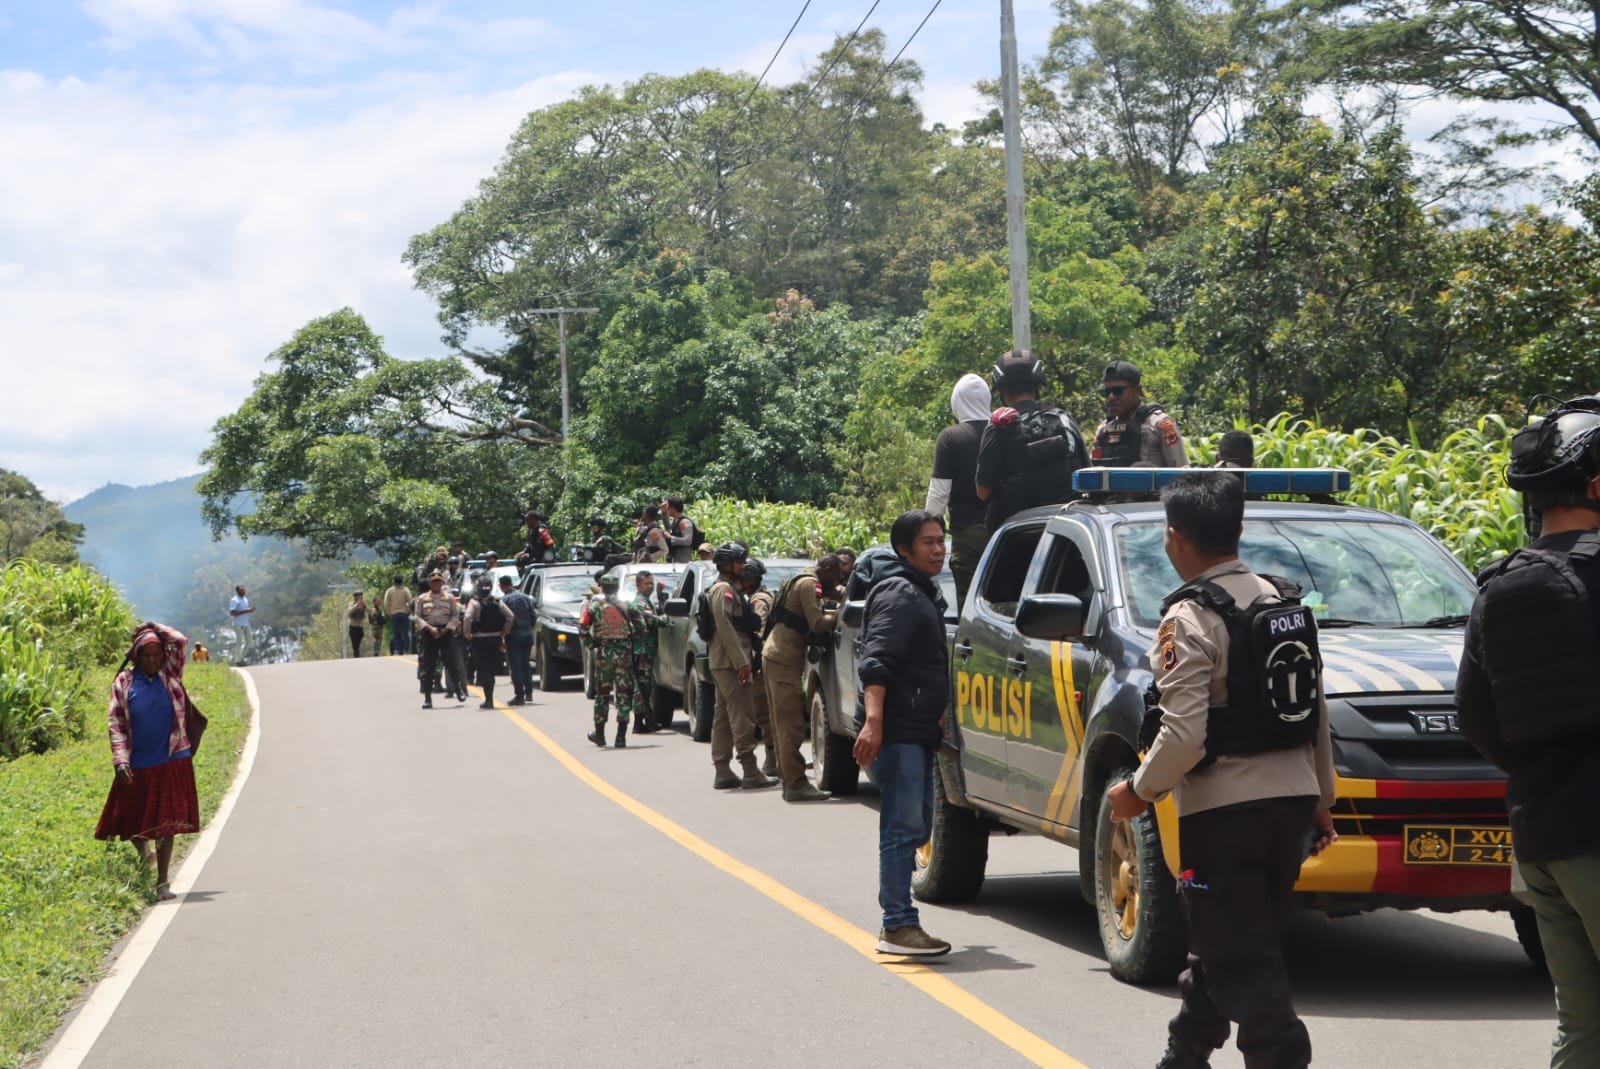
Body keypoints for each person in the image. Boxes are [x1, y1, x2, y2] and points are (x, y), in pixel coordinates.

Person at [1105, 471, 1336, 1069]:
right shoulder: (1285, 604)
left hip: (1225, 814)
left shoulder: (1187, 619)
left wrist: (1137, 791)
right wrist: (1321, 799)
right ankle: (1185, 1053)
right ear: (1236, 529)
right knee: (1230, 939)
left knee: (1242, 955)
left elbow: (1183, 734)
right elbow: (1313, 712)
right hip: (1290, 805)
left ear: (1176, 537)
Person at [1455, 396, 1600, 1069]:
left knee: (1582, 1025)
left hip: (1542, 835)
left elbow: (1475, 717)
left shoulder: (1500, 587)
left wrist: (1543, 771)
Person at [851, 510, 953, 956]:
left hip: (916, 730)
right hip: (895, 733)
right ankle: (897, 923)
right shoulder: (899, 593)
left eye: (940, 540)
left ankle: (897, 917)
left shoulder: (920, 592)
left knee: (915, 823)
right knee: (901, 826)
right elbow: (877, 661)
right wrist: (874, 722)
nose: (938, 549)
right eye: (927, 542)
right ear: (904, 550)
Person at [95, 623, 202, 902]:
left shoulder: (170, 674)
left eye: (157, 655)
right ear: (136, 657)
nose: (153, 660)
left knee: (166, 824)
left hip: (171, 757)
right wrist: (121, 762)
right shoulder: (123, 683)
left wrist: (153, 627)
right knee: (132, 822)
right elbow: (116, 724)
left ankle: (162, 882)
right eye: (147, 656)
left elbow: (179, 640)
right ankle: (145, 852)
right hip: (138, 761)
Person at [975, 350, 1090, 529]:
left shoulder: (999, 426)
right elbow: (1086, 474)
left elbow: (983, 491)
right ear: (1037, 386)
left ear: (1002, 390)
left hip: (1017, 534)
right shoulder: (1062, 418)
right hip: (1065, 531)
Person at [762, 554, 843, 802]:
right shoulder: (808, 584)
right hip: (784, 658)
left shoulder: (803, 576)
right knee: (790, 725)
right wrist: (839, 614)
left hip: (776, 654)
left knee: (781, 723)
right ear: (828, 570)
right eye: (837, 576)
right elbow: (817, 623)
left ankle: (790, 783)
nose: (838, 581)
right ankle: (796, 784)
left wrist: (840, 593)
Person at [706, 542, 776, 790]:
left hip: (726, 662)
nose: (742, 566)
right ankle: (749, 769)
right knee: (742, 717)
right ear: (727, 565)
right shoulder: (724, 590)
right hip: (731, 663)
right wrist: (741, 662)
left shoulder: (730, 589)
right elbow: (724, 626)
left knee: (723, 717)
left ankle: (723, 770)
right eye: (738, 561)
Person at [926, 372, 992, 609]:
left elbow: (939, 492)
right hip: (1010, 530)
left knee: (971, 605)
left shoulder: (951, 437)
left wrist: (927, 532)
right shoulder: (1004, 431)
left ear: (957, 402)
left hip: (969, 535)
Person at [579, 572, 643, 748]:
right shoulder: (628, 605)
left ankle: (599, 735)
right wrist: (630, 643)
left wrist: (592, 645)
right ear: (617, 587)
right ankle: (621, 737)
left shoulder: (594, 607)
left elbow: (582, 628)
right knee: (624, 695)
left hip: (604, 654)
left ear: (603, 588)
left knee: (603, 694)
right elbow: (641, 627)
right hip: (624, 655)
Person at [1092, 359, 1188, 468]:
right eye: (1107, 392)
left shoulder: (1160, 424)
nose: (1111, 397)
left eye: (1118, 391)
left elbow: (1181, 472)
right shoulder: (1103, 430)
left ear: (1137, 390)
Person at [738, 559, 779, 777]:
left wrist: (754, 664)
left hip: (762, 664)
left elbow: (758, 633)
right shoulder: (758, 596)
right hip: (766, 662)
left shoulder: (759, 600)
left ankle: (773, 760)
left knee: (764, 714)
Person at [413, 571, 467, 708]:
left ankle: (458, 689)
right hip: (429, 634)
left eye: (438, 581)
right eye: (433, 581)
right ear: (430, 583)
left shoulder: (449, 598)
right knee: (428, 666)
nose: (436, 584)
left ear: (442, 583)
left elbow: (455, 616)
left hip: (446, 633)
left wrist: (447, 629)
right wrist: (430, 628)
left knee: (451, 664)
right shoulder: (422, 598)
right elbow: (417, 617)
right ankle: (427, 698)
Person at [464, 577, 511, 709]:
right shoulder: (497, 601)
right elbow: (510, 616)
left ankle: (489, 700)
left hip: (480, 640)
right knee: (491, 669)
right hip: (495, 640)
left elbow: (467, 617)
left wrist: (467, 634)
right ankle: (489, 698)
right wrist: (504, 631)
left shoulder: (474, 603)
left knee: (483, 670)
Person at [627, 570, 665, 731]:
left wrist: (660, 595)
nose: (650, 586)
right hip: (641, 650)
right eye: (646, 583)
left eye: (651, 583)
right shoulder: (640, 603)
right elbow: (652, 620)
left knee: (646, 686)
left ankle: (646, 720)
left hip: (647, 650)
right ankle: (639, 721)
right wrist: (665, 621)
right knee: (642, 686)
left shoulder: (648, 601)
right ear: (638, 585)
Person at [498, 574, 537, 706]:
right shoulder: (526, 598)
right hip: (527, 634)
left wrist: (502, 635)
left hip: (513, 635)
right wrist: (529, 628)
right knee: (526, 664)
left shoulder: (504, 600)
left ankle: (519, 695)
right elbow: (534, 616)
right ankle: (529, 693)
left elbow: (504, 620)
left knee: (516, 666)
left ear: (501, 586)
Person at [383, 575, 413, 655]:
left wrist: (389, 613)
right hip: (404, 614)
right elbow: (410, 602)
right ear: (402, 581)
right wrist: (409, 611)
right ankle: (405, 650)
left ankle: (396, 650)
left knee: (396, 633)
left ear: (394, 581)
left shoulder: (389, 591)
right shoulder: (405, 590)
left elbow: (386, 603)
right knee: (405, 633)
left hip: (394, 614)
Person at [663, 496, 698, 564]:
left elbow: (687, 541)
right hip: (674, 557)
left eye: (668, 508)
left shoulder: (684, 522)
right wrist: (664, 513)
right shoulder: (676, 520)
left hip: (682, 559)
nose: (668, 510)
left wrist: (670, 538)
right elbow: (669, 529)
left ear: (673, 508)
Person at [227, 584, 255, 665]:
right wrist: (246, 611)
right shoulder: (234, 600)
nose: (243, 592)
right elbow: (232, 613)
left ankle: (241, 659)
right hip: (238, 623)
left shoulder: (245, 599)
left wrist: (249, 610)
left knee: (249, 642)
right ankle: (237, 661)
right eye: (242, 590)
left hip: (246, 623)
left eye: (244, 590)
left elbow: (245, 610)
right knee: (239, 641)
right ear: (237, 591)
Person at [346, 591, 368, 657]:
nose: (360, 598)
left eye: (361, 596)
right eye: (358, 596)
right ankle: (356, 656)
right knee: (354, 644)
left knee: (358, 643)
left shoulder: (363, 604)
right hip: (353, 627)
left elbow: (368, 611)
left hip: (360, 627)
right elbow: (350, 611)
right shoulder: (351, 604)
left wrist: (364, 605)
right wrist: (357, 605)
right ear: (355, 597)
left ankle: (356, 654)